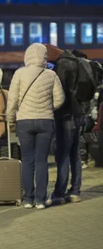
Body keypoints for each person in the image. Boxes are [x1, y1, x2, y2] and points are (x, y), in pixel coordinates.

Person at [6, 43, 64, 210]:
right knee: (41, 161)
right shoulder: (51, 75)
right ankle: (40, 200)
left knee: (27, 160)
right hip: (46, 122)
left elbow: (12, 100)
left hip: (24, 121)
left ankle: (28, 199)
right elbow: (60, 99)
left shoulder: (19, 74)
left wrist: (10, 119)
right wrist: (47, 109)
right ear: (44, 56)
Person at [47, 45, 84, 205]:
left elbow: (60, 94)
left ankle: (59, 193)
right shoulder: (77, 61)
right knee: (75, 154)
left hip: (66, 115)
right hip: (79, 113)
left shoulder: (62, 66)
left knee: (63, 154)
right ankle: (75, 191)